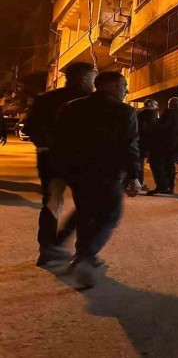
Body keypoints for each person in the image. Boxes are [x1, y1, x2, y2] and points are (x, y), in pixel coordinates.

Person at [53, 71, 140, 287]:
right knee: (110, 215)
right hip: (108, 173)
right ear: (110, 86)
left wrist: (62, 170)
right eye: (123, 85)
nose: (126, 90)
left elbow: (59, 141)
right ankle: (85, 257)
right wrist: (134, 176)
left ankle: (78, 255)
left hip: (77, 173)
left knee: (86, 213)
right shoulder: (123, 111)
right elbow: (129, 145)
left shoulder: (72, 107)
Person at [23, 62, 96, 266]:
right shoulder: (90, 101)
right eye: (93, 77)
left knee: (53, 202)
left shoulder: (45, 99)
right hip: (79, 160)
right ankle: (82, 252)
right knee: (87, 204)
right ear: (84, 78)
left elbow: (29, 128)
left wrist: (46, 145)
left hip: (49, 158)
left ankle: (47, 250)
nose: (94, 82)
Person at [147, 97, 178, 196]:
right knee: (169, 166)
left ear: (170, 105)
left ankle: (162, 186)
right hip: (177, 146)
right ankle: (170, 187)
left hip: (165, 145)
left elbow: (162, 128)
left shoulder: (169, 114)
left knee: (156, 164)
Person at [136, 99, 159, 190]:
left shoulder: (138, 113)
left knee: (137, 163)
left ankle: (134, 182)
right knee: (139, 164)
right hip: (145, 143)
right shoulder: (151, 114)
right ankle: (139, 183)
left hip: (136, 141)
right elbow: (152, 130)